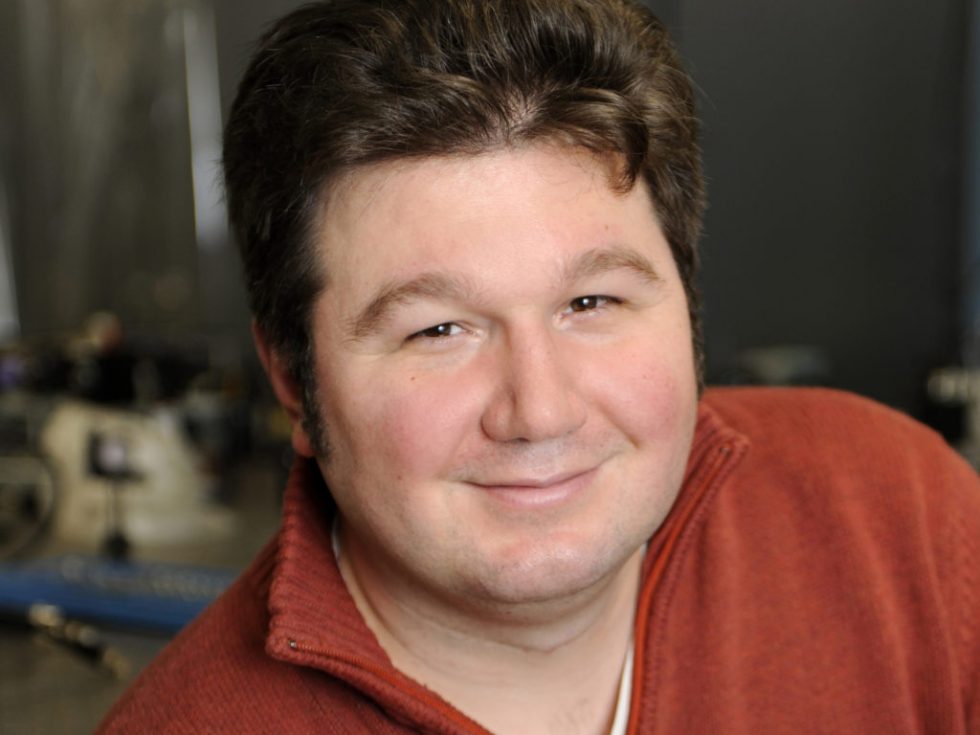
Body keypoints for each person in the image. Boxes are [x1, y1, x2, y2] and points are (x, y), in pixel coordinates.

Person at [98, 0, 980, 732]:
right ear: (292, 376)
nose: (541, 410)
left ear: (688, 303)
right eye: (439, 329)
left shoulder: (901, 519)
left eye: (591, 304)